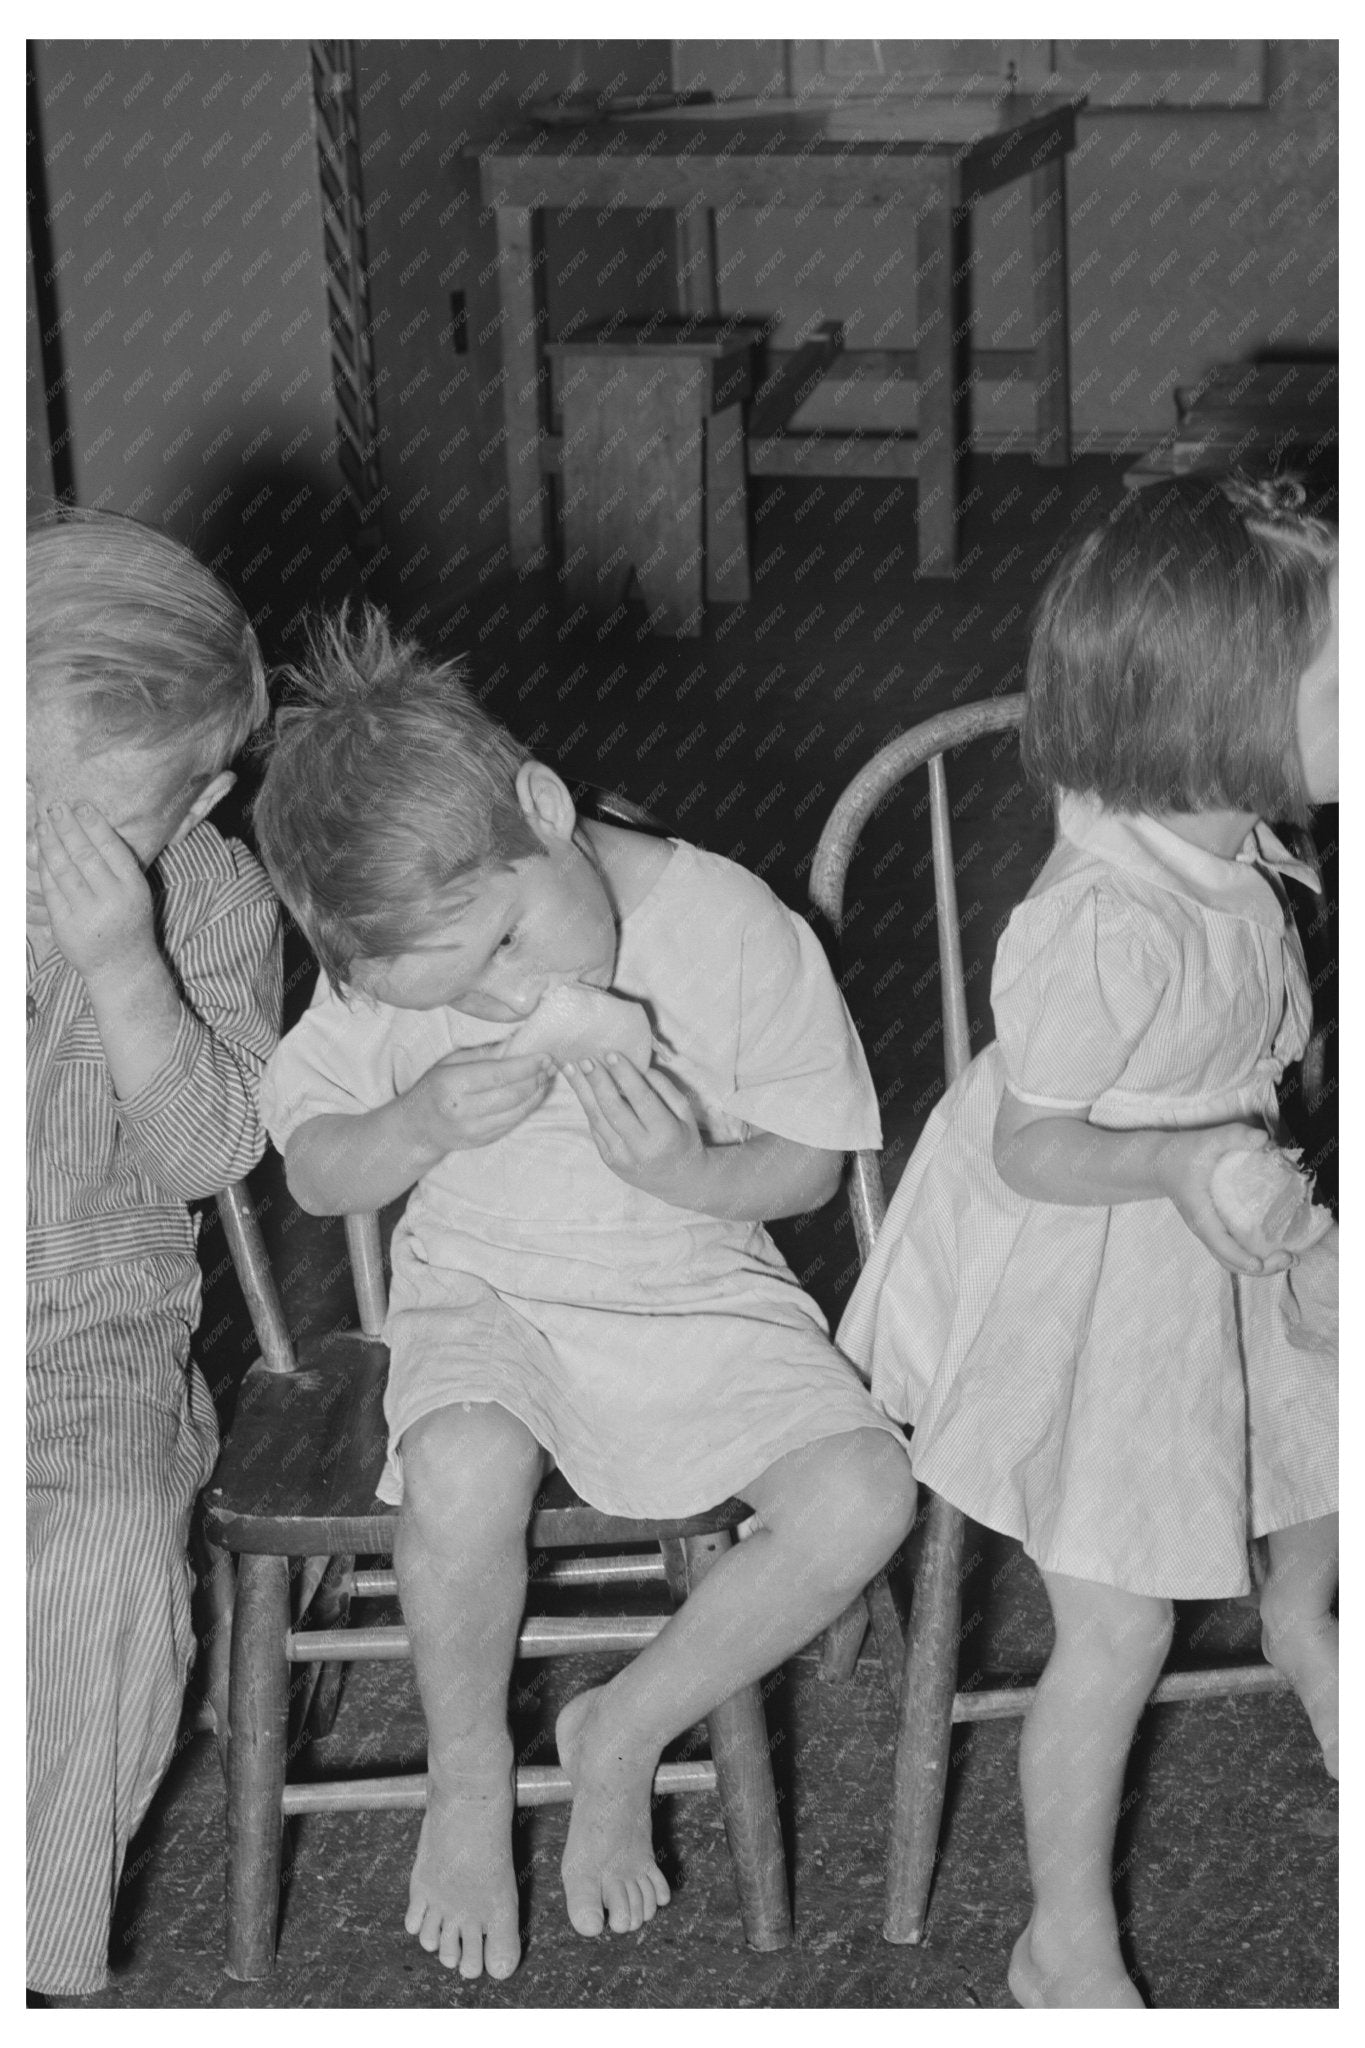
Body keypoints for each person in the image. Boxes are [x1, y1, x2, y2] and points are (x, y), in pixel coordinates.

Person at [253, 607, 917, 1980]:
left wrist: (689, 1171)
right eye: (457, 987)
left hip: (694, 1271)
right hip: (485, 1278)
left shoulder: (726, 922)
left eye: (503, 946)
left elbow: (805, 1167)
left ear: (543, 813)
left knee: (864, 1495)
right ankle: (468, 1768)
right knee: (461, 1462)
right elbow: (319, 1171)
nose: (504, 1001)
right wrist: (421, 1121)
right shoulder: (407, 952)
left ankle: (619, 1726)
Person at [838, 475, 1339, 2009]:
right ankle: (1061, 1933)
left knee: (1325, 1493)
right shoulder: (1104, 921)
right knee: (1114, 1622)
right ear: (1225, 714)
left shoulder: (1243, 841)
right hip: (1097, 1263)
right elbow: (1034, 1144)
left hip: (1223, 1230)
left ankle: (1308, 1631)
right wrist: (1193, 1158)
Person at [27, 509, 282, 1998]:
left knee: (105, 1549)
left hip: (87, 1347)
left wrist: (125, 965)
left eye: (98, 829)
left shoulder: (209, 897)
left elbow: (211, 1155)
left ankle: (37, 1958)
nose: (212, 803)